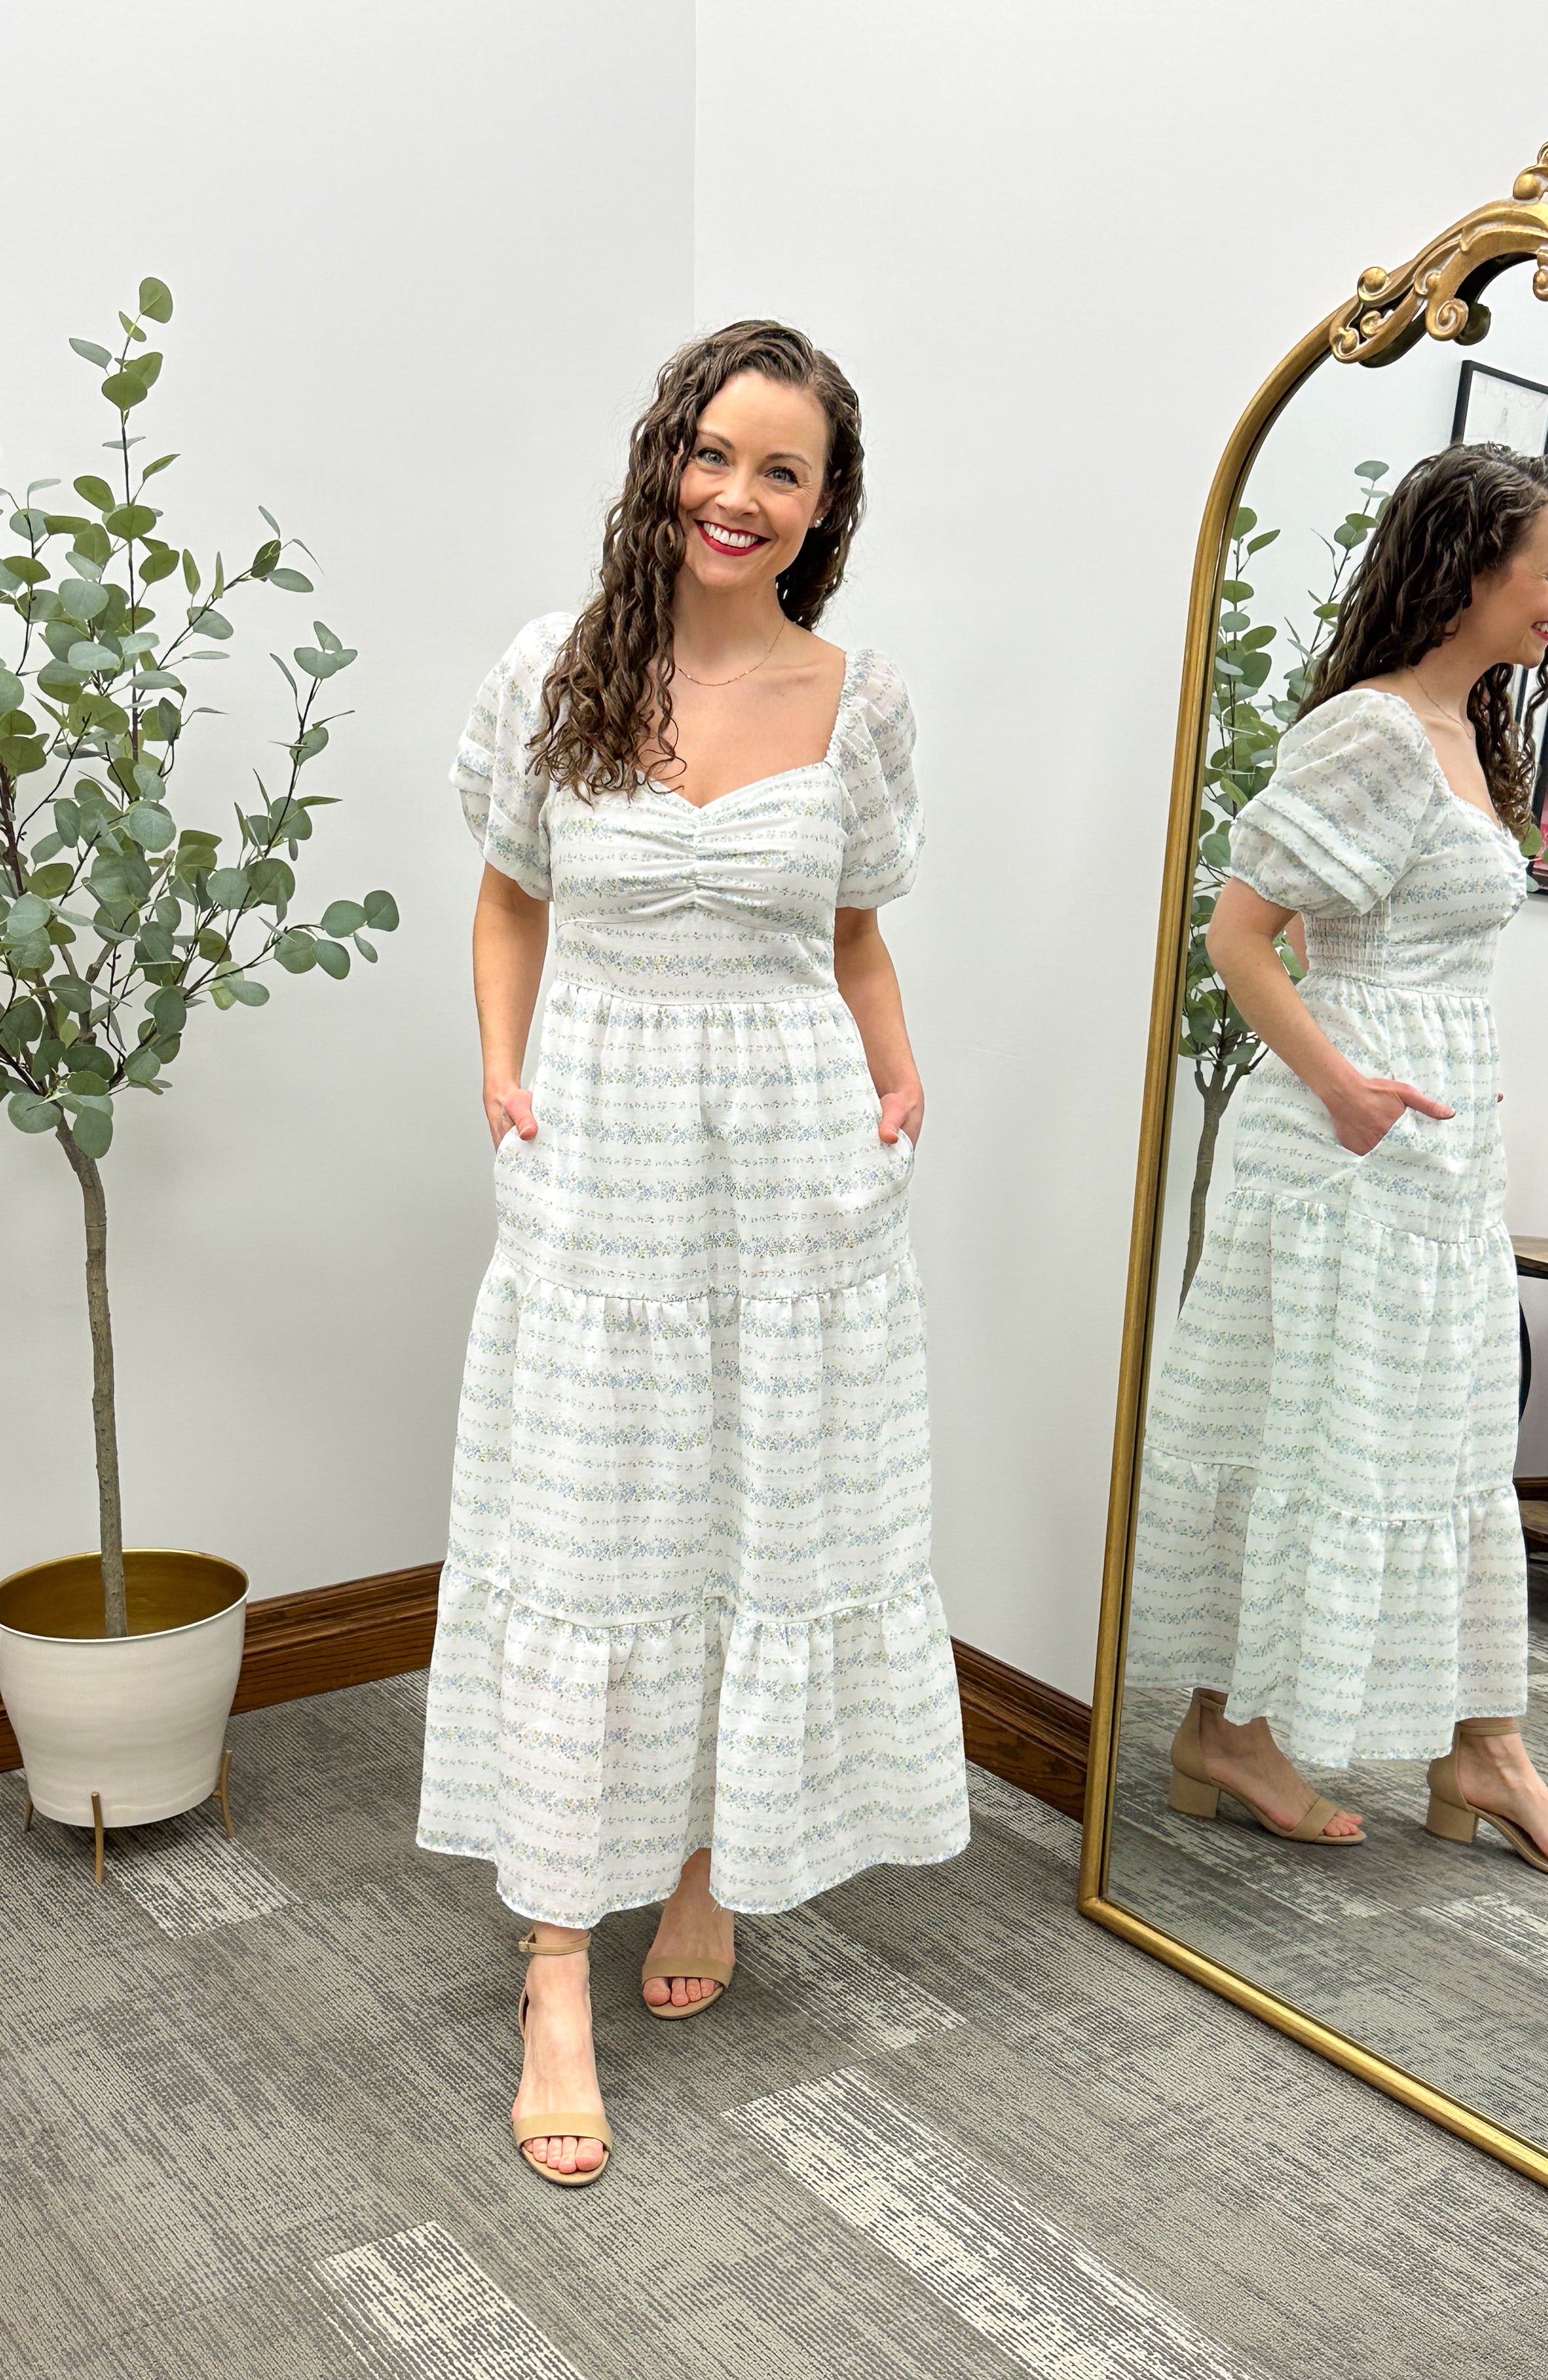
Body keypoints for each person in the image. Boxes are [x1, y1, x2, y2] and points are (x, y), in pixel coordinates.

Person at [417, 321, 969, 2184]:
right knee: (593, 1527)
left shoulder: (857, 700)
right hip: (608, 1149)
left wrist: (899, 1079)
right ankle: (553, 1963)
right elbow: (508, 898)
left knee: (763, 1506)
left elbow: (858, 932)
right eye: (715, 454)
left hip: (803, 1152)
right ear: (669, 459)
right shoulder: (554, 673)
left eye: (783, 471)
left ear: (826, 505)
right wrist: (499, 1067)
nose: (740, 496)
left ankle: (710, 1864)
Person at [1128, 442, 1548, 1883]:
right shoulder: (1374, 733)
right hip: (1343, 1141)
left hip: (1430, 1144)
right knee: (1313, 1430)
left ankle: (1477, 1741)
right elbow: (1237, 934)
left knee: (1438, 1434)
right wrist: (1341, 1088)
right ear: (1471, 571)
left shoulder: (1472, 732)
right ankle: (1228, 1729)